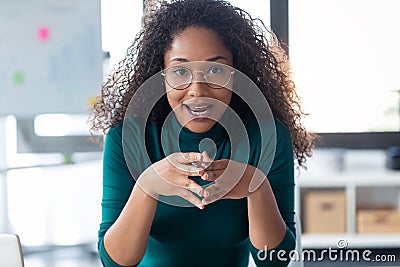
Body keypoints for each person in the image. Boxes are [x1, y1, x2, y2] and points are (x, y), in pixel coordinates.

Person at [89, 0, 316, 266]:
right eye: (180, 71)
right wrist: (147, 186)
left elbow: (275, 261)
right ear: (161, 76)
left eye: (216, 70)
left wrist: (257, 187)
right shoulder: (128, 139)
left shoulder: (268, 137)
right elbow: (115, 262)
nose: (198, 90)